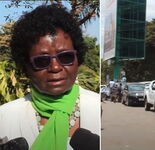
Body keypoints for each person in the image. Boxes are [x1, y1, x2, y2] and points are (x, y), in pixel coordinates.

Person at [0, 4, 100, 150]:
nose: (55, 67)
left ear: (78, 58)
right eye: (41, 60)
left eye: (66, 57)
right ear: (26, 66)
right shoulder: (5, 118)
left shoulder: (98, 108)